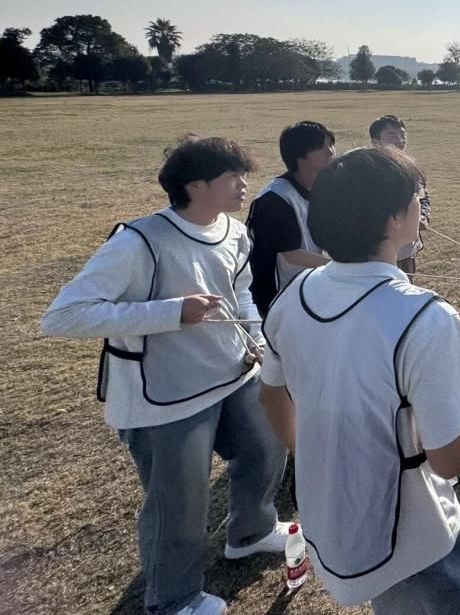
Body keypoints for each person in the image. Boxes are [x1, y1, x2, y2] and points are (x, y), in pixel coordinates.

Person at [42, 137, 289, 615]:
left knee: (266, 446)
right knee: (178, 502)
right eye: (232, 176)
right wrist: (172, 312)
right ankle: (174, 600)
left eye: (244, 174)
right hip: (166, 397)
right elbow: (63, 316)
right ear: (194, 185)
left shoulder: (235, 231)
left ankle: (252, 532)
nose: (244, 185)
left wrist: (255, 340)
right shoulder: (138, 241)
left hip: (233, 375)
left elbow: (239, 293)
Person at [259, 146, 460, 614]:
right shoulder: (426, 317)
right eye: (417, 198)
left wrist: (315, 454)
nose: (423, 206)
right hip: (414, 540)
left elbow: (272, 395)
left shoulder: (293, 296)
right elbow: (449, 458)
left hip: (332, 518)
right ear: (393, 219)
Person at [245, 120, 336, 318]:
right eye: (322, 147)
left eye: (331, 145)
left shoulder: (321, 189)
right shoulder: (275, 199)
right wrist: (340, 267)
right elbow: (292, 255)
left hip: (309, 289)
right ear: (300, 154)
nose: (331, 152)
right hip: (279, 300)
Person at [370, 115, 432, 274]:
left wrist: (422, 216)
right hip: (376, 250)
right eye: (391, 135)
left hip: (405, 250)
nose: (400, 140)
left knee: (405, 279)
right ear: (376, 142)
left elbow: (423, 197)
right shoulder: (367, 171)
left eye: (403, 134)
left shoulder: (411, 169)